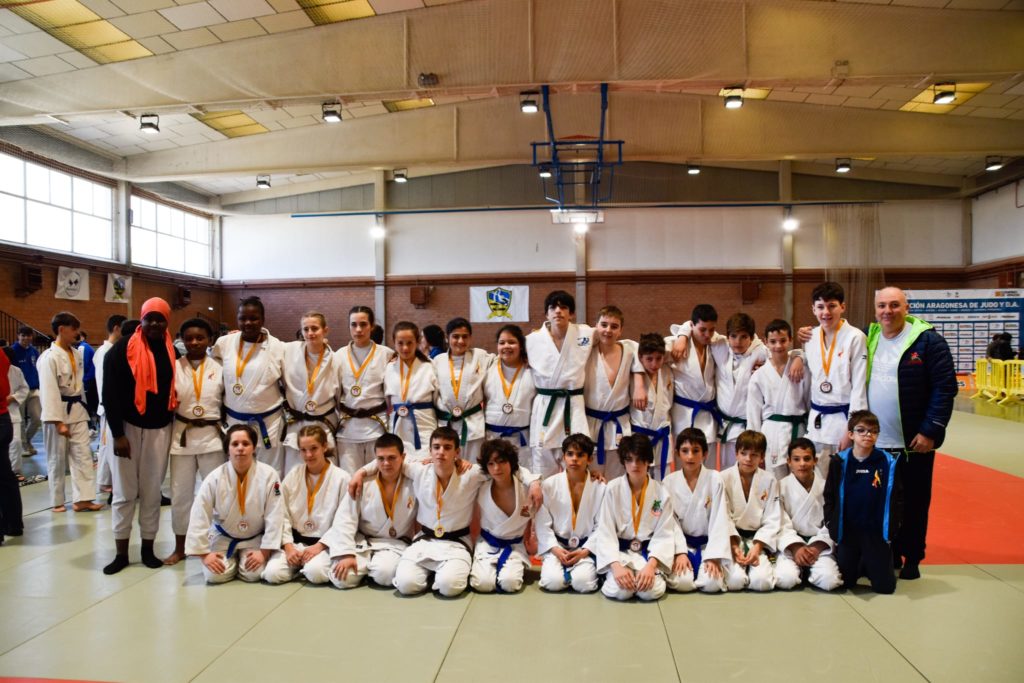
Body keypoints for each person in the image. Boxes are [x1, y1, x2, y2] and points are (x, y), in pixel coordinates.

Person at [349, 427, 541, 597]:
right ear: (430, 450)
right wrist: (361, 473)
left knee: (450, 587)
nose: (441, 452)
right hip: (425, 540)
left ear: (457, 452)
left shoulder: (472, 474)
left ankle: (441, 574)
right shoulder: (418, 470)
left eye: (447, 447)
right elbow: (388, 460)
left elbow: (507, 467)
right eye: (436, 447)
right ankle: (432, 573)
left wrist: (532, 482)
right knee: (407, 585)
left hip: (455, 542)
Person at [868, 286, 956, 580]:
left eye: (894, 305)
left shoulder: (928, 341)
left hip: (913, 442)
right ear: (875, 309)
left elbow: (945, 388)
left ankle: (913, 557)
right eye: (882, 305)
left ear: (906, 307)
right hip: (876, 443)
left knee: (916, 501)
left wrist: (930, 430)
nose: (887, 311)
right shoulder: (871, 338)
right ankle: (889, 551)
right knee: (882, 503)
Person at [101, 297, 178, 574]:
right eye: (150, 318)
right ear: (141, 320)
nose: (155, 323)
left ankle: (148, 548)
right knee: (124, 493)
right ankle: (121, 553)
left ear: (167, 322)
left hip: (160, 430)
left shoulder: (173, 352)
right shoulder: (119, 351)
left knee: (151, 493)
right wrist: (118, 434)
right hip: (127, 429)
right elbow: (108, 396)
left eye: (160, 319)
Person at [186, 424, 285, 584]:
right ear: (227, 449)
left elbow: (275, 514)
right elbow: (200, 513)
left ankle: (243, 559)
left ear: (253, 448)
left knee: (254, 574)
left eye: (246, 444)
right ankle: (233, 561)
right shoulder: (215, 477)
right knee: (214, 576)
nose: (240, 448)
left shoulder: (269, 475)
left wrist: (264, 552)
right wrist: (204, 555)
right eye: (235, 444)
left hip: (253, 537)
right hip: (224, 536)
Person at [164, 318, 225, 566]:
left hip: (212, 436)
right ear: (182, 340)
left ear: (209, 340)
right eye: (189, 338)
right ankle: (180, 546)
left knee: (218, 493)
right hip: (182, 436)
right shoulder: (173, 367)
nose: (194, 342)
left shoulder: (221, 368)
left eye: (200, 338)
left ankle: (219, 542)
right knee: (180, 496)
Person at [323, 433, 417, 589]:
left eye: (392, 458)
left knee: (385, 575)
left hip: (394, 544)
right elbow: (346, 518)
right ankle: (365, 565)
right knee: (342, 580)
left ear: (403, 457)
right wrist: (346, 554)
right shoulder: (363, 482)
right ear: (375, 459)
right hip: (363, 542)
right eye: (381, 459)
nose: (386, 463)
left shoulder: (414, 481)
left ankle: (370, 568)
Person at [824, 411, 902, 594]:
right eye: (862, 430)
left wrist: (894, 526)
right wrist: (831, 523)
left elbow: (897, 498)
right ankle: (859, 563)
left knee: (885, 588)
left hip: (875, 533)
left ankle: (872, 563)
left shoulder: (887, 462)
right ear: (851, 434)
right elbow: (829, 496)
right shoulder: (839, 461)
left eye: (873, 431)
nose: (868, 435)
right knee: (845, 583)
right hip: (848, 532)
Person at [592, 434, 676, 601]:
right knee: (621, 592)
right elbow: (605, 531)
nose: (635, 465)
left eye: (640, 459)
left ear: (648, 461)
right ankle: (613, 575)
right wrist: (616, 567)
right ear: (623, 462)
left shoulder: (661, 493)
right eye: (629, 460)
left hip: (647, 554)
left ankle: (648, 575)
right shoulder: (612, 489)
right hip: (620, 553)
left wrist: (651, 566)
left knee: (649, 592)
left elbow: (664, 534)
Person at [263, 425, 350, 584]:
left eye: (313, 448)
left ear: (324, 446)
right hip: (296, 543)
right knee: (272, 574)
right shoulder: (293, 475)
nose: (308, 454)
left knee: (315, 573)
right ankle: (298, 568)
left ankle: (307, 567)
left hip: (325, 543)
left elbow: (344, 520)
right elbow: (282, 515)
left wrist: (320, 546)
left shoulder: (342, 478)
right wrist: (288, 546)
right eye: (303, 450)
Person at [212, 296, 287, 476]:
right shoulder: (224, 344)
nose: (248, 323)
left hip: (268, 423)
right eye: (242, 318)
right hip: (234, 421)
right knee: (235, 472)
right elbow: (214, 379)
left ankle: (270, 504)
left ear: (263, 319)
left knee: (270, 474)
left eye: (253, 318)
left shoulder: (278, 347)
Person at [526, 290, 595, 478]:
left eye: (563, 307)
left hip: (573, 407)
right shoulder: (531, 341)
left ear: (571, 313)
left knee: (578, 464)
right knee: (542, 471)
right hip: (545, 407)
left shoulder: (586, 334)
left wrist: (683, 333)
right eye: (553, 307)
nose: (558, 311)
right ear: (546, 314)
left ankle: (576, 506)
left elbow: (618, 340)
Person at [802, 282, 868, 475]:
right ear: (813, 309)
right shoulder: (810, 337)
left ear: (842, 307)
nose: (826, 312)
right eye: (820, 307)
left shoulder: (855, 337)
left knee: (842, 482)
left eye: (832, 306)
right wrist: (798, 356)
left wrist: (852, 430)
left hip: (843, 422)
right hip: (816, 423)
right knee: (818, 483)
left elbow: (859, 387)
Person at [39, 312, 101, 513]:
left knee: (83, 455)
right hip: (57, 413)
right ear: (61, 330)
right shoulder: (48, 357)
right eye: (73, 329)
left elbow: (79, 386)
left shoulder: (76, 354)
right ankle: (57, 500)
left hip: (77, 410)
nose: (77, 333)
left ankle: (83, 499)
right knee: (57, 458)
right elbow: (49, 391)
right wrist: (58, 422)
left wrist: (86, 410)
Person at [662, 428, 730, 594]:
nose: (690, 456)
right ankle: (692, 571)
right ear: (677, 453)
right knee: (682, 583)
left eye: (696, 451)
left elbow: (720, 519)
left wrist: (713, 556)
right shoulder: (668, 482)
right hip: (682, 544)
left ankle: (704, 571)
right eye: (685, 451)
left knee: (712, 585)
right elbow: (670, 522)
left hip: (708, 544)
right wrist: (680, 552)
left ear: (705, 454)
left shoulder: (715, 479)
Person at [535, 434, 605, 593]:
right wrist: (554, 549)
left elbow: (601, 525)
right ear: (563, 457)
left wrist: (585, 551)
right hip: (558, 546)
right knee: (552, 583)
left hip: (584, 547)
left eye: (580, 455)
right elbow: (542, 524)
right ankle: (561, 567)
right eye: (570, 454)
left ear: (589, 459)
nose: (574, 459)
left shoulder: (599, 487)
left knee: (584, 584)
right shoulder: (549, 485)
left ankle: (586, 569)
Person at [469, 439, 537, 593]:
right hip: (488, 543)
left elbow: (532, 476)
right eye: (491, 464)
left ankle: (515, 566)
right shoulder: (481, 485)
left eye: (501, 462)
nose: (496, 468)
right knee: (483, 584)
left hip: (514, 545)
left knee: (510, 584)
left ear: (511, 463)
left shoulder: (526, 488)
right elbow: (456, 469)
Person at [774, 439, 842, 591]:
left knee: (830, 581)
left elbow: (832, 521)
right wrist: (796, 547)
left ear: (815, 461)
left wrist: (817, 546)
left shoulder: (826, 487)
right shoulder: (780, 486)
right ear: (788, 462)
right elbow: (779, 521)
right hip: (791, 545)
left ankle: (808, 568)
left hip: (818, 545)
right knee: (786, 580)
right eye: (796, 459)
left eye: (807, 458)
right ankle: (801, 569)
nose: (802, 464)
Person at [747, 319, 811, 480]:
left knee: (801, 477)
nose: (778, 346)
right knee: (775, 479)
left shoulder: (802, 369)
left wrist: (800, 356)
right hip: (772, 432)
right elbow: (753, 414)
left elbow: (810, 402)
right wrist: (755, 447)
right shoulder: (759, 375)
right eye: (773, 342)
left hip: (799, 429)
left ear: (790, 340)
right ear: (766, 342)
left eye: (783, 341)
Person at [721, 430, 781, 592]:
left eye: (754, 455)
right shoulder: (723, 478)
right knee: (734, 582)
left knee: (762, 583)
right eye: (743, 453)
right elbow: (722, 517)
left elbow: (773, 518)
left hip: (757, 540)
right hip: (732, 539)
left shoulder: (769, 480)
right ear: (736, 454)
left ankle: (759, 563)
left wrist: (757, 547)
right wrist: (734, 546)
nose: (748, 459)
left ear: (762, 458)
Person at [335, 306, 393, 473]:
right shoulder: (338, 356)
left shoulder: (387, 354)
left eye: (363, 324)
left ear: (372, 326)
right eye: (353, 324)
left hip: (377, 426)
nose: (358, 329)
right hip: (347, 430)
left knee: (377, 480)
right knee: (350, 481)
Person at [282, 312, 340, 473]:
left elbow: (340, 396)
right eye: (305, 329)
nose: (310, 333)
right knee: (293, 474)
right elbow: (266, 345)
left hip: (324, 423)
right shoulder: (289, 350)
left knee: (327, 475)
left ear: (325, 331)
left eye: (314, 328)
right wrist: (237, 336)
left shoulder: (336, 359)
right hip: (296, 424)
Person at [584, 306, 636, 480]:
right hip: (592, 426)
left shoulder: (630, 351)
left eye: (614, 326)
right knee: (593, 481)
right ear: (595, 326)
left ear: (620, 331)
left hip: (619, 426)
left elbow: (661, 350)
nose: (608, 330)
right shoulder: (585, 352)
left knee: (618, 481)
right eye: (604, 325)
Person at [433, 317, 489, 462]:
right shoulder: (437, 361)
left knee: (473, 469)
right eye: (455, 336)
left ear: (470, 338)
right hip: (446, 424)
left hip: (472, 424)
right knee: (447, 468)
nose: (460, 341)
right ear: (447, 338)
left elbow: (502, 359)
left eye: (465, 337)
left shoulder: (480, 356)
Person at [483, 325, 535, 466]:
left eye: (512, 342)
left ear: (521, 346)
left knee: (521, 480)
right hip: (493, 437)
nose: (506, 346)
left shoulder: (532, 370)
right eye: (502, 342)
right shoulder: (488, 367)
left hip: (522, 439)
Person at [384, 321, 438, 461]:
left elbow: (438, 400)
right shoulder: (389, 368)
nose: (405, 348)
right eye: (400, 343)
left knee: (425, 471)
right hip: (397, 428)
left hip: (424, 427)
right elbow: (388, 403)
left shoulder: (430, 366)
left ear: (418, 342)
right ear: (394, 343)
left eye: (410, 343)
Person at [629, 333, 674, 481]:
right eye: (649, 359)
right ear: (640, 357)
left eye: (658, 358)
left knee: (664, 482)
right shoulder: (631, 376)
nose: (654, 364)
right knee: (640, 482)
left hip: (663, 435)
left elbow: (676, 341)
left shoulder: (667, 370)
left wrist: (683, 336)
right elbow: (627, 345)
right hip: (640, 436)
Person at [93, 314, 126, 498]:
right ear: (116, 328)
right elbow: (102, 382)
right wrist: (108, 404)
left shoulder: (111, 350)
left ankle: (105, 481)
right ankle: (108, 482)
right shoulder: (105, 352)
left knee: (106, 446)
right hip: (107, 406)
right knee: (108, 446)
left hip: (110, 405)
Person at [0, 347, 24, 542]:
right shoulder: (2, 355)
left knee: (5, 474)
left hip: (3, 416)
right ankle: (14, 524)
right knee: (5, 474)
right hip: (3, 418)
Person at [11, 326, 41, 456]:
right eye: (23, 335)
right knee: (21, 420)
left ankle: (27, 440)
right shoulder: (13, 351)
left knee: (37, 418)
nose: (26, 338)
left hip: (34, 389)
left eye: (28, 335)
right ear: (18, 336)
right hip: (18, 391)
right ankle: (23, 446)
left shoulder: (34, 351)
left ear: (32, 337)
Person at [5, 351, 29, 485]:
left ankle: (15, 471)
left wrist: (13, 397)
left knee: (16, 442)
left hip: (12, 411)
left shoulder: (16, 371)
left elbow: (24, 389)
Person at [75, 330, 97, 430]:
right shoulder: (85, 347)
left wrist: (82, 381)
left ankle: (90, 426)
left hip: (87, 380)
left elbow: (82, 366)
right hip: (89, 379)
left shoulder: (82, 347)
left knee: (87, 404)